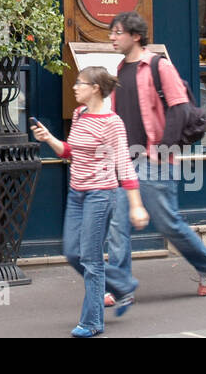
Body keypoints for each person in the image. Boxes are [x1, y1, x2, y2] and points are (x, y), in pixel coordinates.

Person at [106, 11, 206, 304]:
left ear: (136, 36)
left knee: (167, 223)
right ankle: (119, 287)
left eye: (118, 32)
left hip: (154, 157)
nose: (112, 37)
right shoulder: (120, 69)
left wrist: (164, 149)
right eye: (112, 32)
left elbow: (180, 108)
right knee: (118, 223)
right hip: (126, 160)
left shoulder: (159, 66)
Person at [31, 66, 149, 337]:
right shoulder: (80, 114)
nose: (74, 87)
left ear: (95, 88)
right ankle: (122, 284)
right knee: (73, 253)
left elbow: (123, 164)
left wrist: (136, 203)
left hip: (100, 194)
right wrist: (49, 138)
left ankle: (92, 321)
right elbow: (70, 152)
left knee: (91, 259)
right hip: (77, 192)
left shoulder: (112, 122)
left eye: (80, 83)